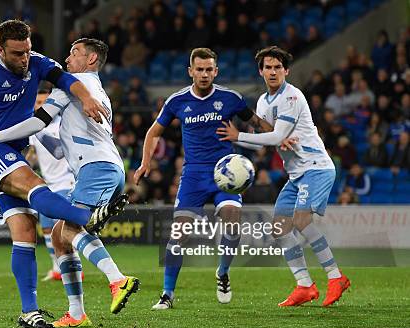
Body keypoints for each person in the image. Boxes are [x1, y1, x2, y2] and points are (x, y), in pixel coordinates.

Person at [0, 20, 127, 328]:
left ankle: (30, 311)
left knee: (26, 231)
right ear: (1, 49)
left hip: (11, 153)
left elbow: (68, 80)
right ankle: (85, 217)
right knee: (36, 186)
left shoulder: (39, 63)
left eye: (28, 51)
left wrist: (85, 98)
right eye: (17, 54)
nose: (24, 59)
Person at [0, 38, 139, 328]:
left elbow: (38, 121)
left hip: (95, 167)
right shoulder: (94, 88)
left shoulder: (73, 83)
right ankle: (76, 313)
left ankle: (117, 279)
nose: (67, 56)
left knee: (71, 228)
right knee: (60, 237)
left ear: (92, 59)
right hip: (104, 166)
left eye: (75, 52)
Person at [133, 47, 279, 310]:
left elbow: (258, 124)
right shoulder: (177, 101)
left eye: (209, 69)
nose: (204, 74)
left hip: (226, 172)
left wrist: (280, 134)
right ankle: (167, 294)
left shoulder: (231, 98)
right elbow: (153, 133)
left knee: (233, 224)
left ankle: (222, 273)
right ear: (190, 71)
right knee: (179, 234)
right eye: (199, 69)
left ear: (216, 71)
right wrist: (145, 162)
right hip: (193, 175)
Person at [217, 46, 350, 307]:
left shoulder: (292, 96)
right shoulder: (264, 102)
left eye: (278, 67)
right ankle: (304, 285)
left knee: (301, 221)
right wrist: (237, 146)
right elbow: (263, 142)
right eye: (268, 67)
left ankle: (336, 277)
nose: (273, 71)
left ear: (286, 70)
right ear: (261, 71)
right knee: (279, 227)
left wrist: (239, 136)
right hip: (297, 174)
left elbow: (276, 137)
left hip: (316, 166)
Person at [29, 88, 76, 282]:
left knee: (63, 228)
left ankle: (72, 267)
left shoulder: (63, 125)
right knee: (47, 228)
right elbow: (32, 156)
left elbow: (60, 151)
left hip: (67, 181)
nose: (41, 107)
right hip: (47, 183)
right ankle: (56, 267)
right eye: (38, 103)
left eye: (44, 103)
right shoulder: (34, 129)